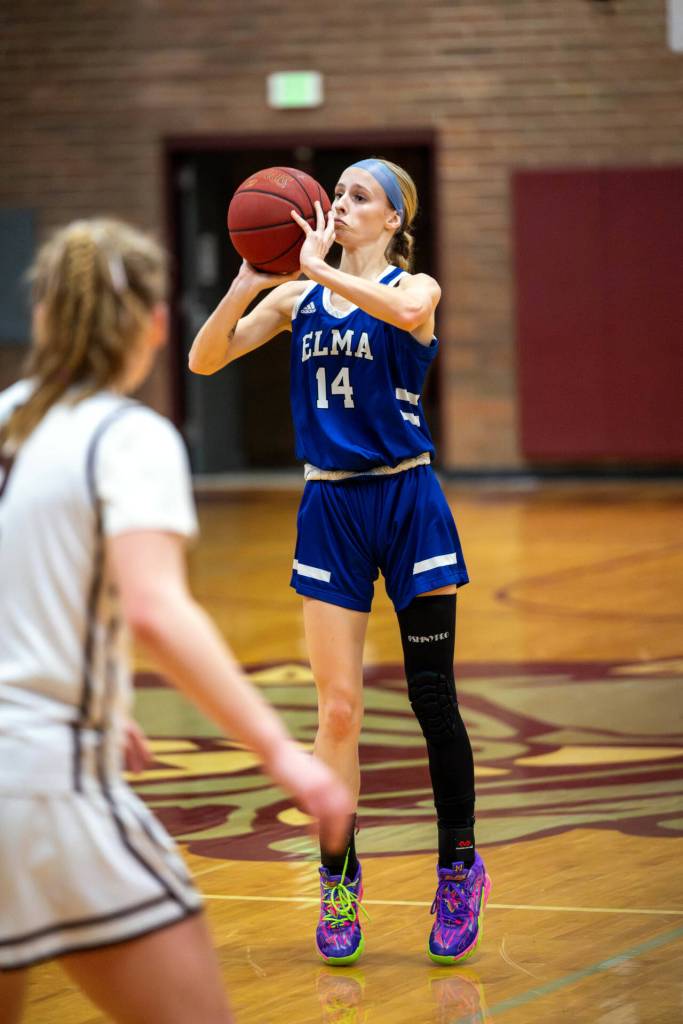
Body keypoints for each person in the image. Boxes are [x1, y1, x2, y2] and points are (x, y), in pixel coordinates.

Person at [0, 218, 352, 1024]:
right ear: (155, 325)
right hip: (44, 782)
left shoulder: (6, 417)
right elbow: (156, 608)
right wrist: (284, 758)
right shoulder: (128, 435)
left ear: (43, 316)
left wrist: (100, 697)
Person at [189, 157, 491, 966]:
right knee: (337, 712)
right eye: (339, 193)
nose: (339, 203)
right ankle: (336, 875)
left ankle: (458, 868)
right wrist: (253, 281)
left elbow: (396, 307)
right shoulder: (299, 297)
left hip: (408, 501)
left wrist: (322, 269)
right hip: (331, 508)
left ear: (392, 218)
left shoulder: (416, 288)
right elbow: (204, 360)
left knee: (433, 700)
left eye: (359, 197)